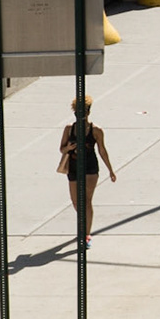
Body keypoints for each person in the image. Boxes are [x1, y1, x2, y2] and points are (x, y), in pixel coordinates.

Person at [59, 96, 116, 245]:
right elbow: (62, 148)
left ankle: (86, 235)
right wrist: (69, 148)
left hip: (90, 167)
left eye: (83, 111)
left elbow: (102, 150)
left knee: (86, 200)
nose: (80, 114)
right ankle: (84, 224)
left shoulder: (96, 130)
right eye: (78, 111)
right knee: (76, 201)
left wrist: (110, 170)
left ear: (89, 112)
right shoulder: (69, 128)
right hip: (73, 166)